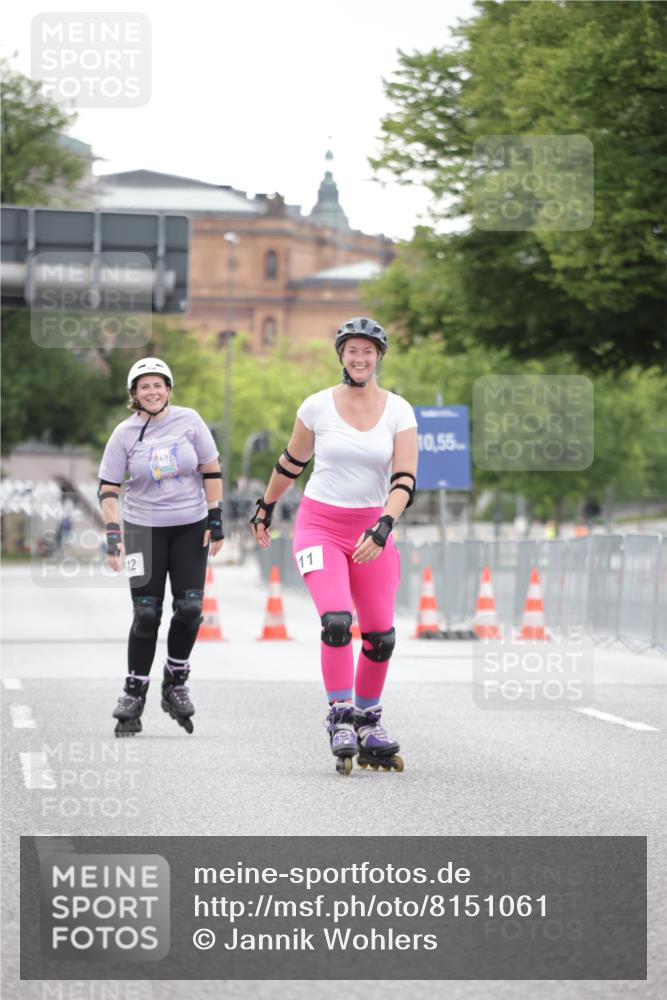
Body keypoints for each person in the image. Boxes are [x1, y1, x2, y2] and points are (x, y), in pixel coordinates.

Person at [251, 318, 418, 775]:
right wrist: (265, 507)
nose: (360, 359)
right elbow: (291, 462)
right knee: (338, 622)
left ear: (378, 357)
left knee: (381, 637)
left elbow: (404, 479)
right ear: (341, 356)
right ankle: (340, 714)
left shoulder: (399, 411)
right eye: (352, 351)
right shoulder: (317, 406)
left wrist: (384, 524)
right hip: (319, 525)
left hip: (371, 530)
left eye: (368, 351)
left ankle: (368, 720)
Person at [98, 357, 224, 736]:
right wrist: (113, 535)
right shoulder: (124, 433)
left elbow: (212, 469)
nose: (152, 392)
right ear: (134, 395)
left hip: (190, 526)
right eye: (144, 386)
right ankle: (134, 692)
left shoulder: (190, 421)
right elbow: (107, 486)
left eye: (158, 385)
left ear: (169, 389)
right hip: (141, 531)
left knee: (189, 608)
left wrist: (216, 521)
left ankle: (175, 679)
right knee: (147, 613)